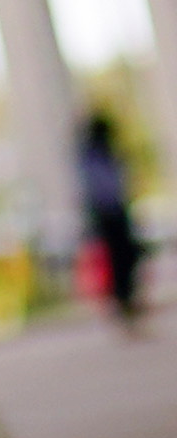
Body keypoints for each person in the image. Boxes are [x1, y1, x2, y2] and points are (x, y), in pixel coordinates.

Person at [81, 107, 149, 338]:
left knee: (126, 260)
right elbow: (105, 189)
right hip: (110, 216)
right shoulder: (94, 156)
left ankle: (128, 308)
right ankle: (125, 308)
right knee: (121, 262)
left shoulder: (102, 155)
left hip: (113, 214)